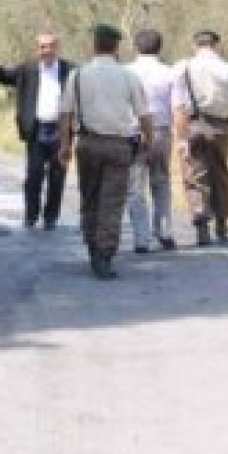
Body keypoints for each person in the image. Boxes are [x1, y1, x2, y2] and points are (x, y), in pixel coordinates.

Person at [58, 24, 153, 280]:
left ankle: (93, 246)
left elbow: (65, 113)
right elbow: (144, 114)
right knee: (111, 202)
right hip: (118, 146)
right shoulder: (128, 76)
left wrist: (64, 145)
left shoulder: (76, 76)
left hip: (87, 144)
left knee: (90, 198)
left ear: (94, 45)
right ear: (116, 46)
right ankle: (105, 254)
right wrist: (149, 141)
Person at [0, 33, 74, 230]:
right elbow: (6, 77)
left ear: (57, 48)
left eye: (50, 46)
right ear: (37, 49)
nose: (46, 50)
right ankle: (31, 216)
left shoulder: (69, 70)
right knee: (34, 175)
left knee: (57, 177)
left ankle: (51, 218)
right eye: (42, 47)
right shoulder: (28, 69)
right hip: (36, 129)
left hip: (61, 131)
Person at [171, 29, 228, 246]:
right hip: (221, 127)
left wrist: (181, 138)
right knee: (220, 172)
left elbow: (178, 106)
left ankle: (201, 225)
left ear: (195, 45)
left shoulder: (182, 67)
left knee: (195, 174)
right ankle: (222, 223)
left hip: (193, 124)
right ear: (217, 45)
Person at [124, 29, 178, 253]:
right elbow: (178, 106)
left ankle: (141, 238)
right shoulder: (170, 72)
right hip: (161, 131)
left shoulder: (125, 72)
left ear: (136, 47)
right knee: (161, 181)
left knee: (135, 187)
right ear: (160, 47)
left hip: (132, 133)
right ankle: (164, 231)